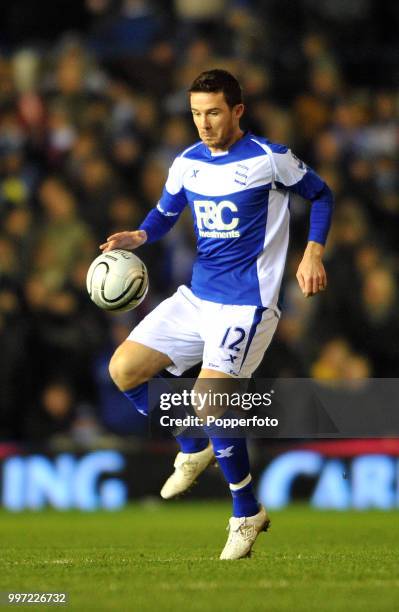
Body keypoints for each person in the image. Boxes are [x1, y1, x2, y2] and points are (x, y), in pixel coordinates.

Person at [100, 69, 333, 559]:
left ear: (237, 111)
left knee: (210, 400)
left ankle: (246, 512)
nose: (203, 123)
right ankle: (191, 444)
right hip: (197, 299)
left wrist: (312, 252)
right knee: (123, 369)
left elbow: (321, 194)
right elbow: (165, 213)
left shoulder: (271, 159)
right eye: (195, 114)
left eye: (212, 112)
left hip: (247, 304)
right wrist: (138, 237)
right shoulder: (187, 163)